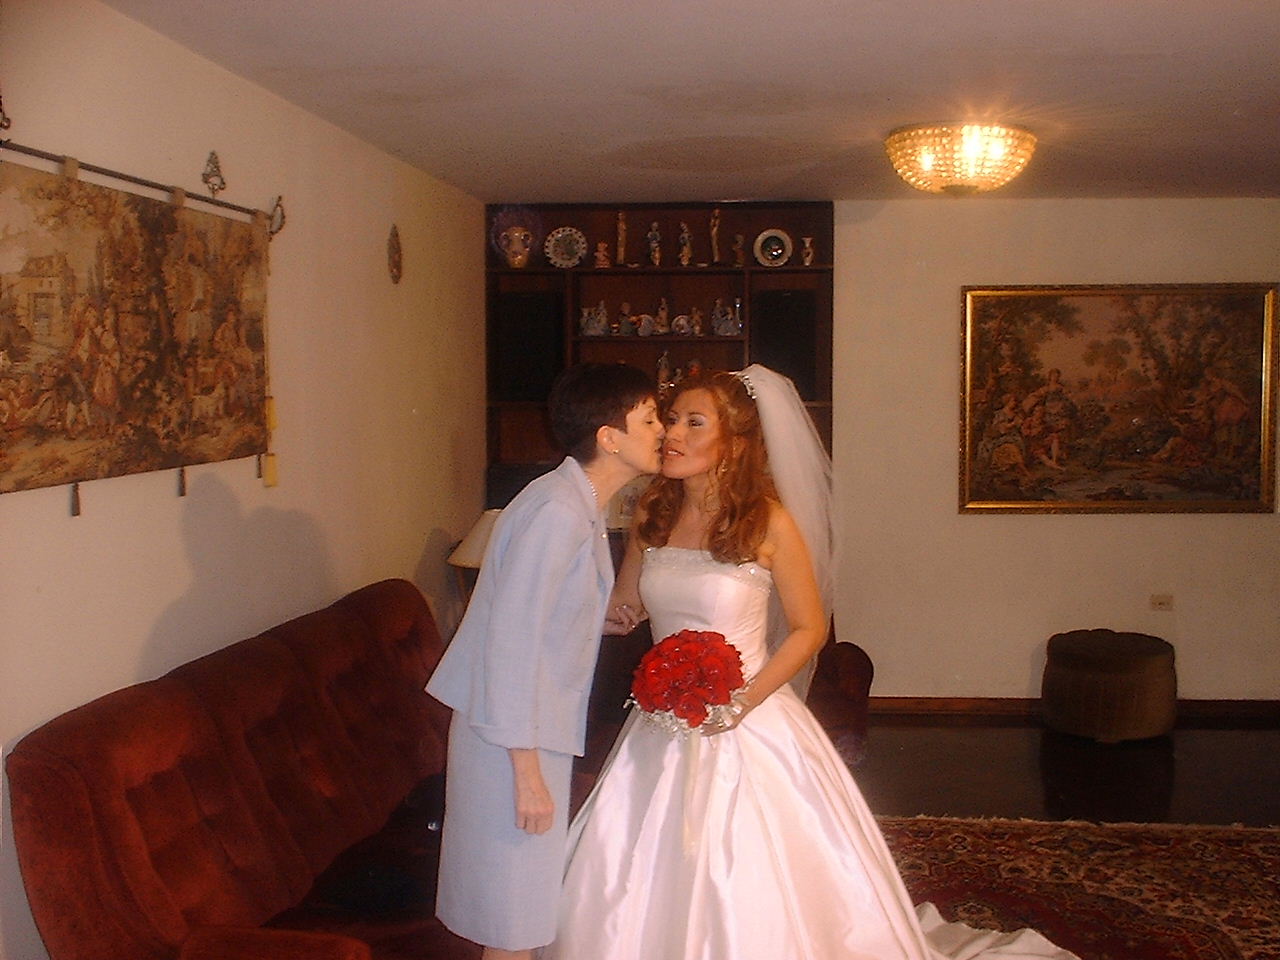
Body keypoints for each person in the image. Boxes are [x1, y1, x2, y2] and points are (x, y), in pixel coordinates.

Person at [545, 366, 1078, 960]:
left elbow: (809, 629)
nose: (672, 433)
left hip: (750, 714)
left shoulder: (768, 521)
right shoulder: (653, 515)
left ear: (734, 443)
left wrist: (741, 702)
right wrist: (572, 592)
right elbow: (627, 608)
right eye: (670, 419)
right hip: (663, 720)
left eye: (694, 422)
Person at [426, 362, 664, 960]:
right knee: (514, 924)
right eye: (648, 419)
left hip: (519, 731)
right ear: (610, 437)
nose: (662, 429)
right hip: (509, 740)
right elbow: (510, 646)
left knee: (520, 917)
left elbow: (532, 614)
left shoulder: (572, 502)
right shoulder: (559, 512)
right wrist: (526, 774)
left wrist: (594, 618)